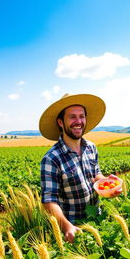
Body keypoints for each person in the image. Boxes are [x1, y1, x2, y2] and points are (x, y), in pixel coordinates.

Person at [39, 93, 121, 243]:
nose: (78, 121)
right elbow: (48, 200)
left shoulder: (91, 147)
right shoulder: (52, 159)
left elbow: (95, 173)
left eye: (81, 116)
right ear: (61, 122)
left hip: (96, 219)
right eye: (72, 117)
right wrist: (66, 226)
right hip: (72, 230)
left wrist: (107, 183)